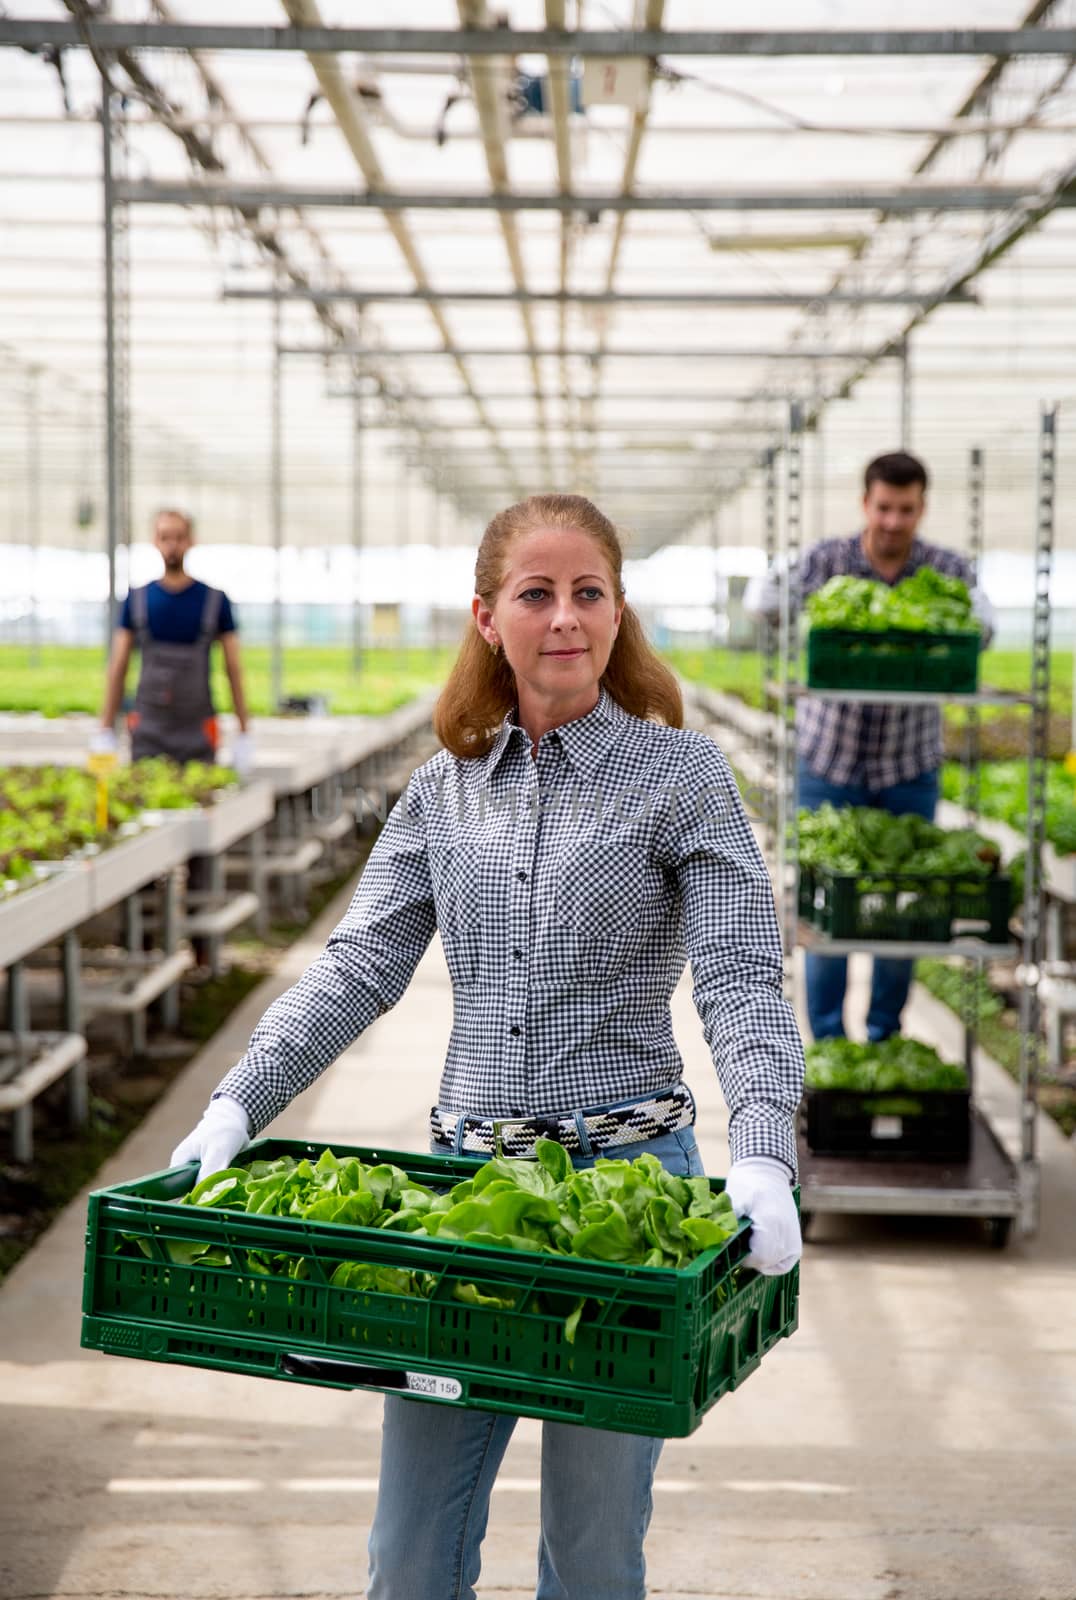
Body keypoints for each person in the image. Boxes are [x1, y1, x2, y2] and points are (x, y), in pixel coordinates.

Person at [172, 493, 804, 1600]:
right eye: (536, 593)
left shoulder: (682, 778)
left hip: (623, 1211)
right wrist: (237, 1102)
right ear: (485, 617)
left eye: (588, 592)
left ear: (618, 612)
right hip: (463, 1208)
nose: (565, 617)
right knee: (410, 1554)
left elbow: (743, 976)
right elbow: (358, 964)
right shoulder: (441, 791)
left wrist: (761, 1150)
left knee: (594, 1551)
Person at [744, 451, 994, 1043]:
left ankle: (884, 1036)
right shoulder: (827, 560)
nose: (893, 521)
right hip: (829, 762)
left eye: (906, 510)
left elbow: (984, 626)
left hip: (909, 766)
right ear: (866, 503)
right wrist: (792, 611)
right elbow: (762, 603)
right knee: (829, 908)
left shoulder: (946, 567)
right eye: (884, 507)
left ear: (920, 508)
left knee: (903, 909)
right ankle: (828, 1043)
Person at [92, 508, 252, 774]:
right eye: (165, 538)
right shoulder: (138, 599)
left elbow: (233, 668)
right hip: (148, 729)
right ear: (155, 542)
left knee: (200, 798)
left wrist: (244, 731)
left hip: (198, 729)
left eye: (179, 537)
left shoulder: (214, 600)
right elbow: (118, 667)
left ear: (191, 541)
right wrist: (105, 728)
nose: (172, 545)